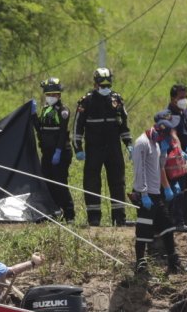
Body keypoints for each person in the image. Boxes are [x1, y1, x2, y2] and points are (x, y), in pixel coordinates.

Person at [73, 67, 133, 227]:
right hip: (94, 148)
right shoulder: (86, 101)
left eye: (108, 85)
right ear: (95, 84)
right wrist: (78, 148)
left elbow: (124, 125)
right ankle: (94, 218)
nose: (105, 88)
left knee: (118, 182)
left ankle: (119, 218)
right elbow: (77, 127)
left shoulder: (117, 100)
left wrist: (129, 144)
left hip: (113, 148)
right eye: (102, 85)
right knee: (92, 182)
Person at [131, 110, 180, 273]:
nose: (165, 141)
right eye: (164, 139)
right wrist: (143, 194)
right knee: (144, 230)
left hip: (156, 193)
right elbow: (139, 170)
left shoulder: (158, 144)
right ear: (158, 132)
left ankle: (173, 261)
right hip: (145, 194)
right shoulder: (142, 143)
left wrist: (166, 187)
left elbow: (159, 167)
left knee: (167, 226)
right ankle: (140, 263)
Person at [35, 78, 75, 222]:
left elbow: (62, 133)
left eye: (53, 94)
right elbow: (39, 129)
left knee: (60, 183)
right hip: (47, 153)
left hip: (60, 153)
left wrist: (58, 151)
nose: (51, 97)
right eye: (48, 94)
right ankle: (54, 211)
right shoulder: (45, 109)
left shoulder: (63, 111)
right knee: (47, 183)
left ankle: (70, 214)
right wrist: (33, 115)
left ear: (59, 95)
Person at [167, 83, 187, 231]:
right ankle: (177, 220)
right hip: (174, 158)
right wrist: (180, 151)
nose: (184, 100)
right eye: (181, 97)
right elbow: (173, 134)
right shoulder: (169, 114)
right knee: (178, 189)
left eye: (186, 97)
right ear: (173, 98)